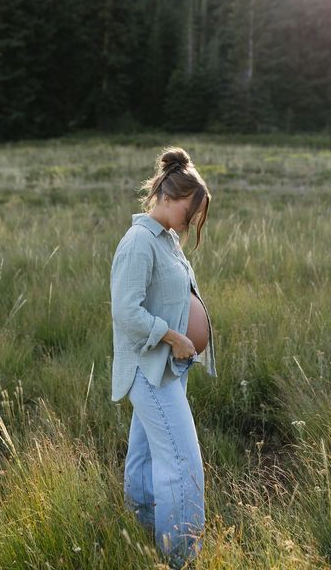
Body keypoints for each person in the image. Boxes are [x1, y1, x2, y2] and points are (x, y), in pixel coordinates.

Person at [110, 146, 218, 568]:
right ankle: (181, 558)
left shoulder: (167, 239)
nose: (190, 223)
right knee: (182, 463)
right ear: (170, 196)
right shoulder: (138, 242)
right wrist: (174, 336)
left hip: (169, 368)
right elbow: (126, 312)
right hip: (150, 369)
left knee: (145, 455)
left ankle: (140, 533)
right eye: (189, 213)